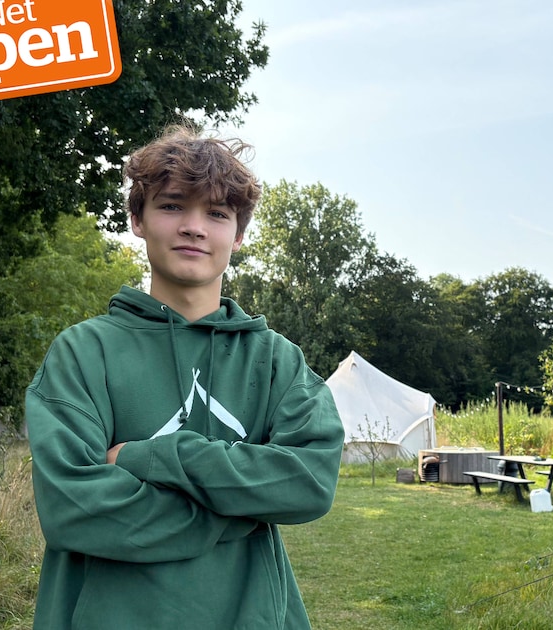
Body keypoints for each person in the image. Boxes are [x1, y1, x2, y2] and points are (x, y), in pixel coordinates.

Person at [25, 123, 345, 629]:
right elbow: (74, 509)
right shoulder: (83, 353)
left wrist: (148, 456)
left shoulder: (277, 361)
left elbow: (308, 482)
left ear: (238, 235)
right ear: (137, 219)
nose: (194, 227)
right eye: (172, 205)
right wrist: (241, 509)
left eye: (217, 214)